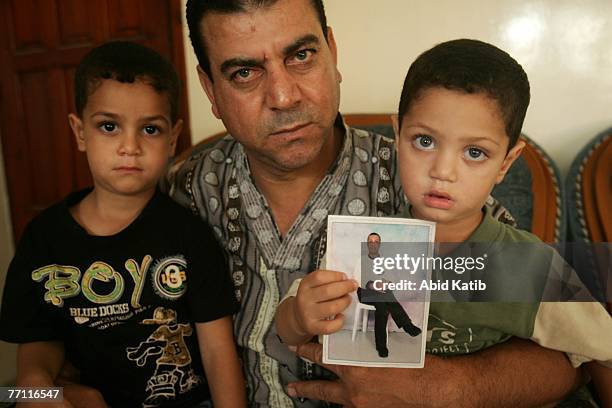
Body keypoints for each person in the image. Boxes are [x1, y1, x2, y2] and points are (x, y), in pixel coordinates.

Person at [173, 0, 583, 406]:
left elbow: (569, 360)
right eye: (244, 72)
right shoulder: (187, 188)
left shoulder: (429, 186)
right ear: (210, 88)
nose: (283, 96)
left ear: (332, 54)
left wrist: (452, 385)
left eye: (301, 56)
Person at [278, 37, 612, 405]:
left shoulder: (530, 267)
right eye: (424, 141)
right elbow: (290, 322)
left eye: (474, 152)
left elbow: (604, 351)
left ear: (505, 163)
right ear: (397, 134)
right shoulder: (368, 245)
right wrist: (300, 314)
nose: (442, 171)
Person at [0, 41, 245, 408]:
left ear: (173, 138)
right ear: (80, 131)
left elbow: (217, 351)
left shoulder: (188, 234)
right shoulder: (44, 239)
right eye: (109, 126)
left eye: (150, 130)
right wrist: (37, 390)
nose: (129, 146)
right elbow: (34, 351)